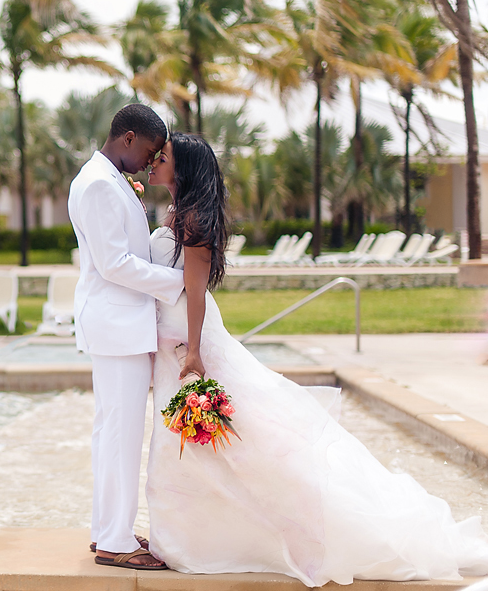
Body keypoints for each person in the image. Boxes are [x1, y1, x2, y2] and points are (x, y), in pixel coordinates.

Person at [144, 132, 488, 586]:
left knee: (239, 442)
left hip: (191, 345)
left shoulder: (192, 220)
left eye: (163, 156)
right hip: (175, 345)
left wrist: (194, 352)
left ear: (183, 167)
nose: (154, 161)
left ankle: (212, 538)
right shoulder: (177, 212)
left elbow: (195, 292)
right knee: (202, 446)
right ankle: (194, 536)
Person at [67, 103, 185, 570]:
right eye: (150, 152)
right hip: (118, 326)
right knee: (121, 434)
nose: (150, 163)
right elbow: (113, 263)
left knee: (110, 432)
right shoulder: (99, 184)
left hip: (118, 325)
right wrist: (178, 282)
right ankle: (115, 541)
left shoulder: (108, 179)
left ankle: (106, 529)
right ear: (129, 138)